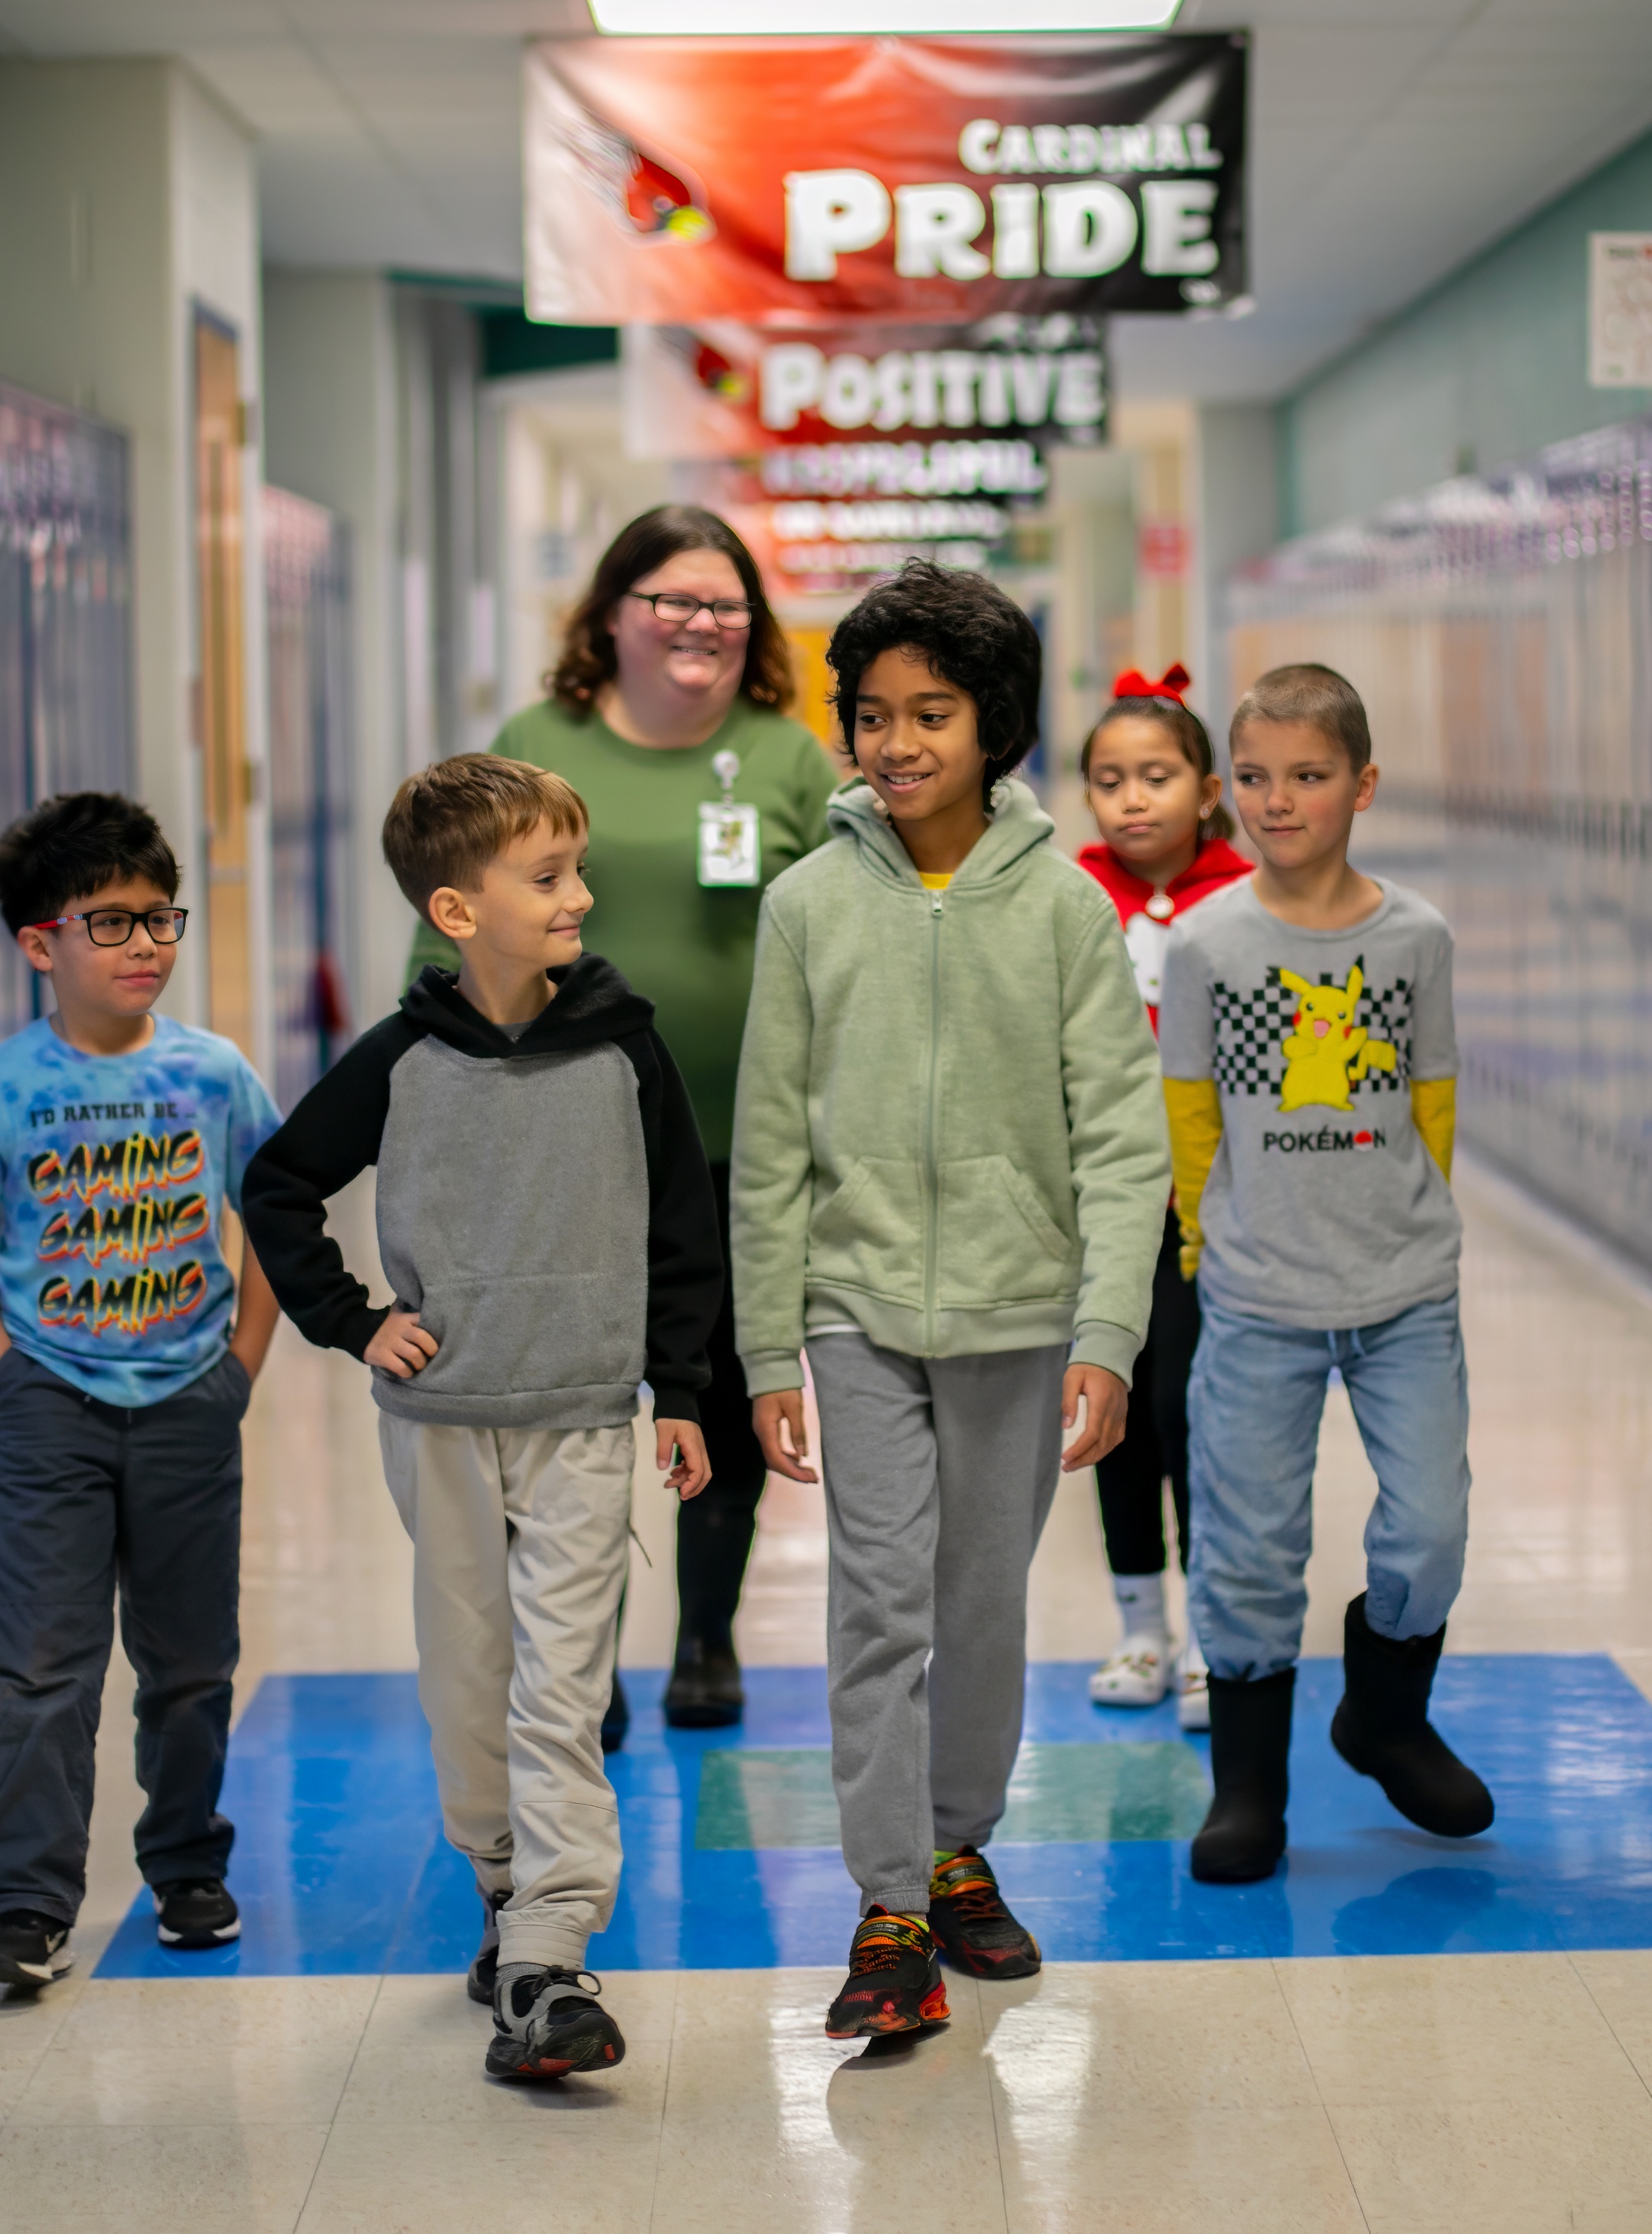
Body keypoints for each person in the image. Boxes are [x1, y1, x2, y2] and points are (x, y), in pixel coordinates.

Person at [729, 559, 1165, 2037]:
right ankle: (886, 1899)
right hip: (856, 1305)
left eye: (932, 711)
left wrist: (1105, 1333)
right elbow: (770, 1134)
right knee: (876, 1598)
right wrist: (763, 1341)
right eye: (870, 714)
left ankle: (956, 1841)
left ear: (994, 723)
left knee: (978, 1600)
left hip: (1016, 1302)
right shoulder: (804, 904)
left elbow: (1120, 1134)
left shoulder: (1060, 908)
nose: (898, 740)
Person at [243, 754, 722, 2081]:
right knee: (469, 1679)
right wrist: (354, 1319)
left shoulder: (627, 1045)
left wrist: (676, 1390)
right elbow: (278, 1186)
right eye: (550, 876)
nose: (580, 895)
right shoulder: (399, 1059)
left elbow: (685, 1226)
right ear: (458, 911)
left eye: (577, 870)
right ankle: (508, 1889)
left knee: (563, 1691)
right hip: (443, 1418)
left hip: (581, 1415)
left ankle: (553, 1957)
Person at [417, 505, 835, 1738]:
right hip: (564, 1131)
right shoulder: (538, 743)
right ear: (611, 613)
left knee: (714, 1381)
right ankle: (577, 1654)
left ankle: (707, 1634)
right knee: (573, 1395)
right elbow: (455, 907)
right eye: (671, 599)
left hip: (741, 1136)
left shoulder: (786, 756)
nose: (699, 624)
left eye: (724, 604)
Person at [0, 791, 282, 1990]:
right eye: (110, 925)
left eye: (158, 920)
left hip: (187, 1401)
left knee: (187, 1662)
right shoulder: (1, 1085)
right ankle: (27, 1900)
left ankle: (186, 1867)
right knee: (39, 1662)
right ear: (41, 945)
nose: (145, 947)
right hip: (49, 1411)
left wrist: (242, 1365)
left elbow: (271, 1214)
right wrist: (5, 1374)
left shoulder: (213, 1073)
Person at [1161, 664, 1496, 1886]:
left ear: (1363, 785)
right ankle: (1250, 1787)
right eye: (1253, 777)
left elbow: (1435, 1097)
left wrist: (1424, 1227)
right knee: (1248, 1547)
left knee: (1433, 1523)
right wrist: (1208, 1246)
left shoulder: (1414, 937)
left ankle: (1384, 1715)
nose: (1277, 800)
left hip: (1405, 1287)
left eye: (1307, 776)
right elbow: (1191, 1114)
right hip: (1257, 1297)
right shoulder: (1208, 942)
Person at [1074, 667, 1253, 1729]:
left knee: (1199, 1412)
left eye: (1156, 776)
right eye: (1109, 779)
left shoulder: (1243, 891)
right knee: (1114, 1413)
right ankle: (1140, 1627)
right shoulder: (1071, 895)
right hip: (1103, 1199)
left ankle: (1207, 1636)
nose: (1133, 799)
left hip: (1212, 1201)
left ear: (1206, 787)